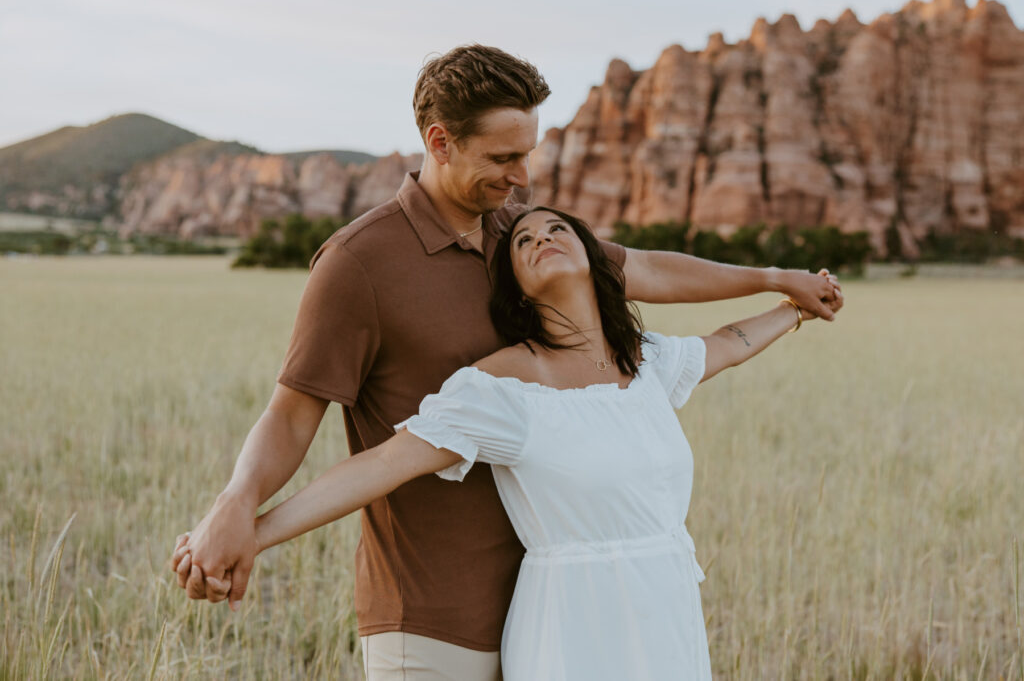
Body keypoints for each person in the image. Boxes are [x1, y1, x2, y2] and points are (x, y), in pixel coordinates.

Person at [170, 44, 841, 680]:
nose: (522, 177)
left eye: (528, 155)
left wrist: (778, 279)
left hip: (549, 601)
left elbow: (651, 270)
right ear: (440, 141)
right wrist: (237, 509)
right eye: (503, 156)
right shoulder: (358, 264)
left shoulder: (520, 233)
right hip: (433, 616)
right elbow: (294, 416)